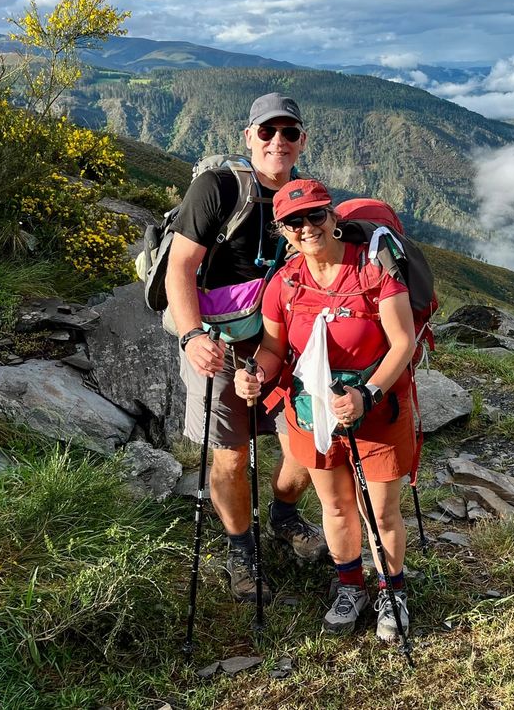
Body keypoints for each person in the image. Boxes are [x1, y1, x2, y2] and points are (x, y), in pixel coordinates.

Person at [234, 178, 418, 642]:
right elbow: (273, 350)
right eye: (292, 222)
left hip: (376, 411)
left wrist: (367, 395)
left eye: (315, 214)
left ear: (333, 217)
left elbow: (403, 343)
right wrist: (254, 374)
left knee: (380, 511)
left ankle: (392, 591)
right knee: (335, 506)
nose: (306, 227)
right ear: (282, 230)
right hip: (313, 411)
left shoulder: (374, 270)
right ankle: (350, 585)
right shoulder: (284, 283)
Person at [166, 93, 328, 604]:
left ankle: (282, 514)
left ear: (302, 140)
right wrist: (192, 337)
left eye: (289, 132)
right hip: (217, 342)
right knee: (232, 457)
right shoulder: (218, 188)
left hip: (286, 342)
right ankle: (241, 549)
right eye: (267, 131)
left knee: (306, 447)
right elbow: (180, 267)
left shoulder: (305, 199)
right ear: (248, 136)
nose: (278, 141)